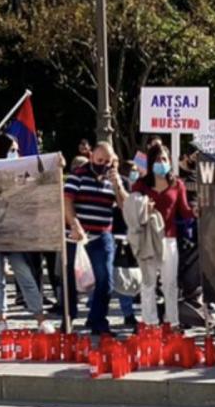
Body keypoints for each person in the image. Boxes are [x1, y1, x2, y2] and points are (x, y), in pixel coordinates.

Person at [63, 140, 126, 337]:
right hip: (77, 236)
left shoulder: (113, 177)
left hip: (102, 235)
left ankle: (98, 320)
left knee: (105, 280)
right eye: (100, 160)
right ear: (92, 157)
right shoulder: (78, 175)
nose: (104, 164)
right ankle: (68, 319)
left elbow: (125, 206)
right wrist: (74, 224)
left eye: (108, 161)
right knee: (70, 281)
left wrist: (118, 185)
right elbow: (67, 200)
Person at [130, 139, 192, 328]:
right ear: (150, 163)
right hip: (148, 239)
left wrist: (198, 212)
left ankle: (172, 322)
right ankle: (150, 323)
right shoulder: (141, 184)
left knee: (170, 284)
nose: (161, 163)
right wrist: (142, 209)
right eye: (157, 160)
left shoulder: (177, 184)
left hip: (169, 239)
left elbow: (185, 211)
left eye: (164, 159)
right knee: (148, 284)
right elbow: (132, 209)